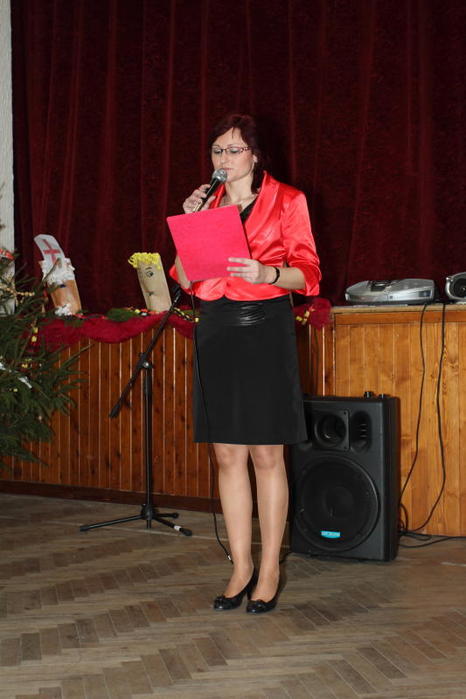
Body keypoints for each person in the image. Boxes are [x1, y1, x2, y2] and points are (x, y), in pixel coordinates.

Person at [172, 113, 321, 613]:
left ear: (255, 155)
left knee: (267, 455)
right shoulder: (207, 205)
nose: (224, 158)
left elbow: (309, 274)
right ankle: (240, 567)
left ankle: (271, 568)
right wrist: (188, 225)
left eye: (234, 150)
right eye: (217, 150)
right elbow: (184, 277)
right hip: (216, 328)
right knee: (227, 455)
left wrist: (268, 272)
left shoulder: (288, 200)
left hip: (264, 328)